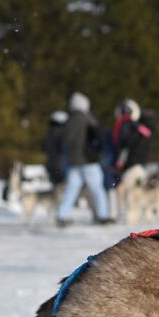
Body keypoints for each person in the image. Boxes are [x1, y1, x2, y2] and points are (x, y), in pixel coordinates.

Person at [54, 91, 111, 226]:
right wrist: (97, 152)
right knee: (97, 189)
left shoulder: (68, 121)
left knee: (71, 190)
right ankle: (103, 216)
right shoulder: (87, 119)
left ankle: (61, 215)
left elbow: (63, 140)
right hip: (89, 161)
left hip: (73, 161)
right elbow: (98, 135)